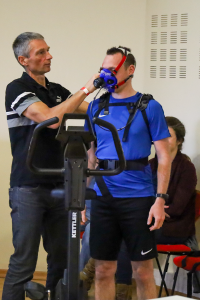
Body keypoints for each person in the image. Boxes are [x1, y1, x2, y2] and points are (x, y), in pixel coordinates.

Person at [3, 32, 98, 300]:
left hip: (60, 185)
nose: (49, 56)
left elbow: (90, 111)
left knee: (62, 259)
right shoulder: (16, 88)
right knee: (24, 261)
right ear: (24, 60)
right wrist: (85, 90)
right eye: (41, 53)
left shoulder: (58, 91)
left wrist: (114, 98)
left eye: (49, 50)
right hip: (29, 186)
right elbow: (48, 119)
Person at [84, 46, 171, 300]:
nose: (106, 75)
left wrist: (160, 199)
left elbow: (164, 156)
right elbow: (92, 155)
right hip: (103, 196)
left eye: (112, 70)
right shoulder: (96, 106)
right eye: (103, 69)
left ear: (129, 70)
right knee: (102, 269)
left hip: (138, 197)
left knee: (143, 272)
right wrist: (85, 197)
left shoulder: (150, 107)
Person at [150, 116, 199, 293]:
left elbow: (176, 209)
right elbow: (138, 201)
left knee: (129, 234)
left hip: (175, 228)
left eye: (168, 136)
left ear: (179, 141)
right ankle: (119, 286)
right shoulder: (149, 165)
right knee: (117, 230)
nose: (161, 140)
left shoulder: (187, 168)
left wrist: (151, 209)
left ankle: (121, 289)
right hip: (151, 223)